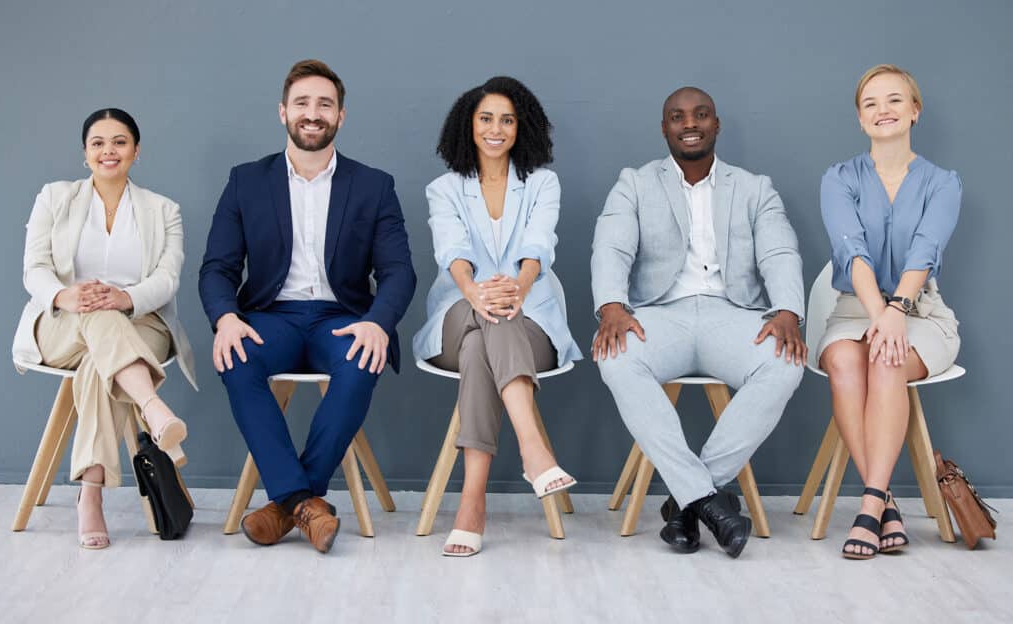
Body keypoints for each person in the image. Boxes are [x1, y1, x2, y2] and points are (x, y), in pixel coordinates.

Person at [199, 59, 416, 554]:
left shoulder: (374, 185)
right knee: (236, 355)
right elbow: (218, 268)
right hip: (271, 318)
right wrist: (226, 318)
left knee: (363, 359)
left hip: (342, 320)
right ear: (282, 112)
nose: (312, 113)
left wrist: (378, 323)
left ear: (342, 116)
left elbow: (398, 271)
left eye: (324, 104)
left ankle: (285, 504)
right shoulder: (246, 181)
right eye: (302, 103)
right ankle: (306, 503)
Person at [591, 87, 805, 558]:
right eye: (677, 116)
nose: (690, 123)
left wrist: (788, 310)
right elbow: (611, 246)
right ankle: (710, 500)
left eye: (701, 114)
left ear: (716, 124)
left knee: (785, 363)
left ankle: (689, 503)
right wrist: (611, 306)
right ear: (664, 127)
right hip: (657, 314)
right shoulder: (634, 182)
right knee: (617, 358)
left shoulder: (754, 188)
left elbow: (779, 251)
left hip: (733, 314)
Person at [412, 76, 582, 557]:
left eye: (507, 120)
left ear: (520, 128)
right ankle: (533, 449)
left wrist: (519, 288)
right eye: (486, 118)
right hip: (457, 311)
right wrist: (474, 292)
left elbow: (538, 245)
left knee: (482, 343)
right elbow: (452, 250)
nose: (496, 128)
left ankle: (471, 503)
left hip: (531, 320)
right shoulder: (444, 189)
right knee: (486, 316)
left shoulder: (542, 183)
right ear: (469, 125)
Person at [13, 108, 197, 549]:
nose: (108, 151)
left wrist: (125, 298)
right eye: (98, 143)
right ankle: (153, 407)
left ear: (136, 151)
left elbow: (168, 279)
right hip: (60, 323)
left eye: (119, 142)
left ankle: (90, 495)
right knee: (96, 315)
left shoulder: (163, 210)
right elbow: (34, 268)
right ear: (85, 154)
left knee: (101, 358)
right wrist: (65, 296)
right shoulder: (54, 198)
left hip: (141, 323)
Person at [818, 64, 961, 560]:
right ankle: (885, 502)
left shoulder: (943, 183)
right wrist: (881, 314)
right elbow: (851, 252)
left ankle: (870, 504)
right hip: (856, 308)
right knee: (842, 359)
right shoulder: (838, 179)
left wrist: (898, 310)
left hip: (921, 313)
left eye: (895, 100)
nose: (883, 111)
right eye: (871, 104)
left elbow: (925, 249)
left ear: (915, 111)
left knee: (886, 360)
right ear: (860, 119)